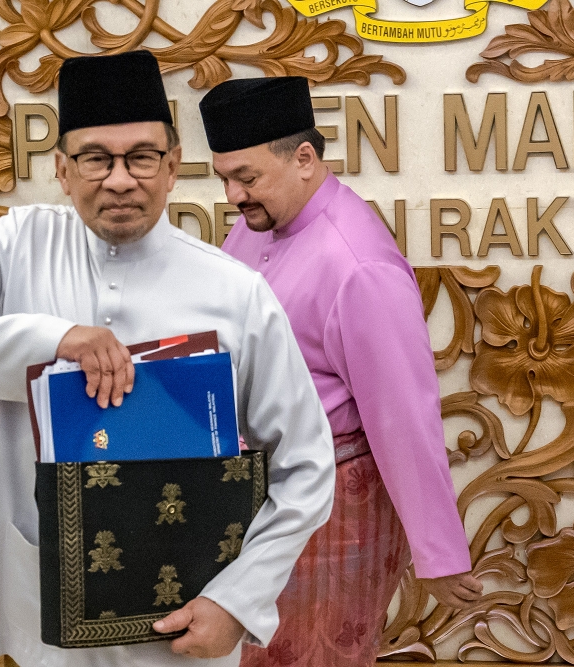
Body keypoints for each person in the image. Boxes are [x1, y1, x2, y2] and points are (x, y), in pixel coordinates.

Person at [0, 51, 335, 667]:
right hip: (47, 613)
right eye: (96, 158)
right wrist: (54, 341)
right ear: (63, 169)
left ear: (172, 167)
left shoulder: (236, 292)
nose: (120, 179)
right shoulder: (19, 247)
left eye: (141, 156)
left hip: (186, 620)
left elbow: (305, 464)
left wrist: (237, 602)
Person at [199, 76, 483, 667]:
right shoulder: (257, 224)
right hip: (257, 494)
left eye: (245, 177)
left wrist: (439, 555)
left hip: (333, 512)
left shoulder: (357, 264)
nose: (232, 195)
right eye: (224, 177)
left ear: (304, 158)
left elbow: (404, 414)